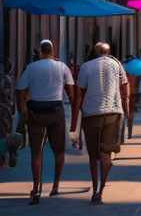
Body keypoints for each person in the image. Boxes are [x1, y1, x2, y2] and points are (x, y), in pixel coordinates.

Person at [14, 40, 75, 204]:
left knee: (36, 152)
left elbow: (20, 90)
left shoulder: (32, 68)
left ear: (40, 51)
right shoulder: (62, 67)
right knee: (59, 151)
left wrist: (21, 111)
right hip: (56, 110)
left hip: (36, 111)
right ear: (53, 51)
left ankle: (36, 187)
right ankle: (55, 186)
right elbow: (70, 89)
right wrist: (76, 112)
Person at [70, 42, 129, 204]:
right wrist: (127, 109)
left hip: (91, 114)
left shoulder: (86, 67)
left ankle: (94, 185)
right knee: (105, 154)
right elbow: (125, 88)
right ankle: (100, 190)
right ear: (108, 51)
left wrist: (74, 122)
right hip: (113, 112)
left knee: (92, 154)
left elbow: (79, 95)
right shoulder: (117, 64)